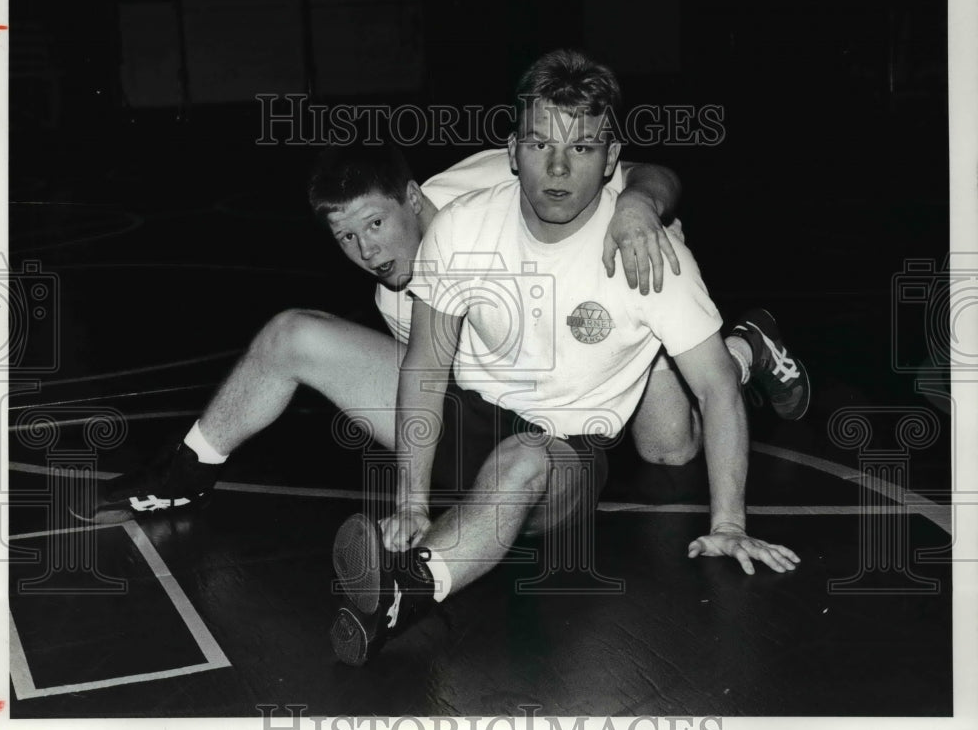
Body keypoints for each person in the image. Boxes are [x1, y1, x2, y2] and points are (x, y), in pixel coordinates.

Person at [329, 49, 806, 666]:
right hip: (471, 419)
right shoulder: (460, 229)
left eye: (581, 149)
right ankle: (404, 585)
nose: (556, 168)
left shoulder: (648, 257)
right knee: (306, 336)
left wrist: (730, 523)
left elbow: (717, 389)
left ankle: (401, 593)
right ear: (511, 151)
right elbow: (424, 366)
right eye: (538, 145)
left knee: (545, 455)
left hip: (562, 454)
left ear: (611, 160)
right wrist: (412, 499)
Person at [70, 141, 687, 523]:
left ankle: (735, 348)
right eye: (346, 238)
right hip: (501, 417)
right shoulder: (395, 295)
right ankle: (188, 468)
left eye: (374, 223)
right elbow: (438, 394)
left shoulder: (484, 184)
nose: (366, 250)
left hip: (600, 338)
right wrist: (414, 498)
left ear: (414, 200)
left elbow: (646, 170)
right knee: (294, 333)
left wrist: (638, 206)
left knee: (669, 451)